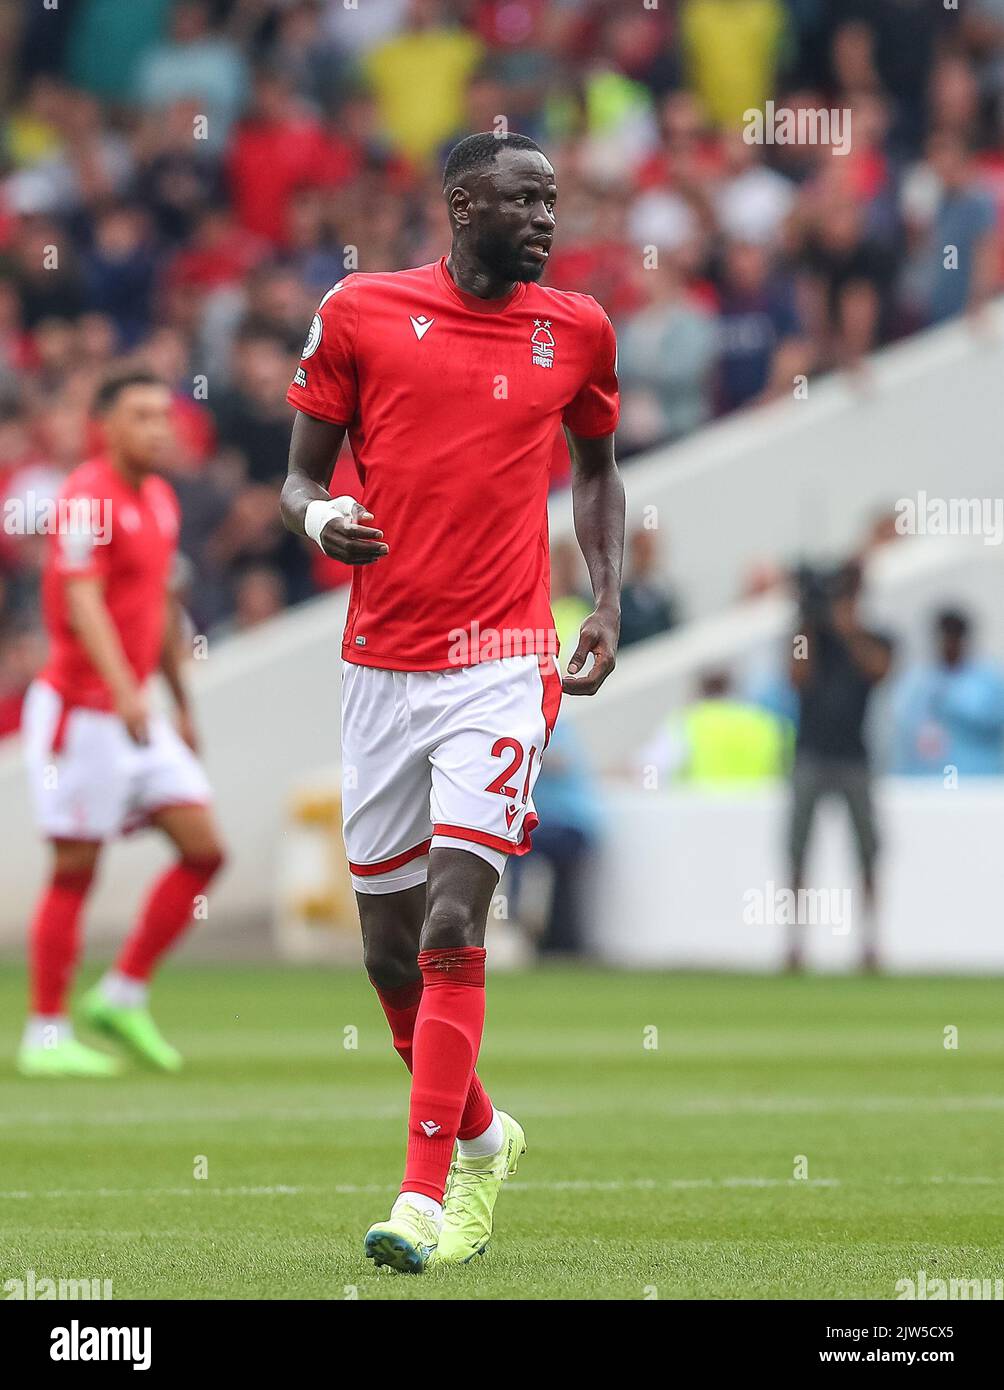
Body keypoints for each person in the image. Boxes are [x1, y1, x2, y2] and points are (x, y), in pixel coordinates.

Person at [280, 131, 623, 1273]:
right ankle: (482, 1133)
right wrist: (318, 516)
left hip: (502, 661)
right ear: (461, 201)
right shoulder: (361, 311)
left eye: (554, 201)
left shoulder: (575, 328)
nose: (544, 219)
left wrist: (607, 603)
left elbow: (597, 467)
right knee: (383, 951)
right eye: (524, 199)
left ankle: (423, 1195)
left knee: (448, 926)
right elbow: (297, 473)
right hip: (382, 665)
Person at [18, 370, 226, 1077]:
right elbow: (82, 602)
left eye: (162, 416)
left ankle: (121, 992)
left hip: (137, 711)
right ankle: (44, 1034)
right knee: (76, 868)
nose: (158, 429)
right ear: (104, 425)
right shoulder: (84, 499)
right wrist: (122, 691)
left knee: (205, 849)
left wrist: (181, 704)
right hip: (82, 713)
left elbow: (162, 610)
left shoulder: (161, 499)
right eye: (140, 416)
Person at [787, 561, 893, 972]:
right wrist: (810, 626)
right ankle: (795, 944)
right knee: (798, 850)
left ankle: (870, 942)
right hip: (812, 752)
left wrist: (847, 631)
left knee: (867, 852)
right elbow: (798, 675)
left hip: (854, 755)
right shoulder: (808, 636)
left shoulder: (873, 637)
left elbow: (879, 670)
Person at [892, 608, 1004, 776]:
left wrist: (951, 703)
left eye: (954, 637)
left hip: (978, 778)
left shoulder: (988, 678)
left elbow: (994, 720)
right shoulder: (918, 679)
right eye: (945, 637)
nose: (949, 644)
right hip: (928, 779)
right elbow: (903, 723)